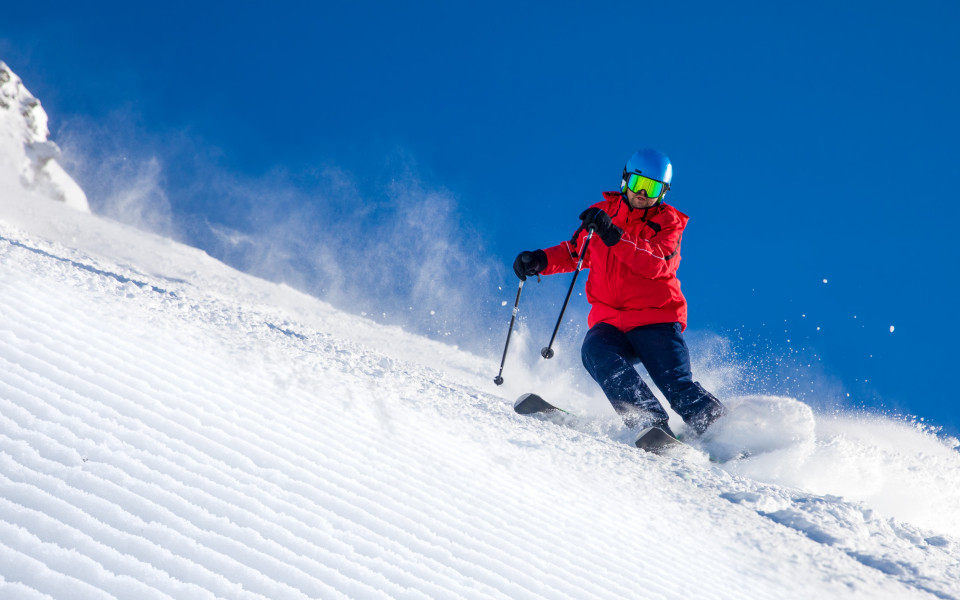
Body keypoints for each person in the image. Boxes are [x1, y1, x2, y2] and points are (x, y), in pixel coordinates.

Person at [513, 149, 725, 438]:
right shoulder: (603, 213)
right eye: (638, 182)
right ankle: (648, 422)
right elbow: (577, 251)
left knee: (676, 385)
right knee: (595, 351)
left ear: (663, 192)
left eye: (651, 188)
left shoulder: (669, 223)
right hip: (611, 320)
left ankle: (727, 435)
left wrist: (614, 235)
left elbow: (657, 263)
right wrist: (540, 260)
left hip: (656, 319)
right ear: (625, 180)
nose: (642, 193)